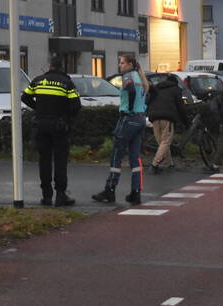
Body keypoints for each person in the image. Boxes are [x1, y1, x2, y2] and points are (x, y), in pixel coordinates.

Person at [21, 56, 81, 206]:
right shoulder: (66, 83)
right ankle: (61, 195)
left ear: (49, 66)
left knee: (44, 161)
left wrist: (38, 109)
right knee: (60, 161)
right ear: (61, 68)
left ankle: (46, 196)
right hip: (59, 126)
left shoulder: (38, 80)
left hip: (41, 125)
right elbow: (76, 106)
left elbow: (25, 97)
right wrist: (65, 116)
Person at [92, 54, 149, 205]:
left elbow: (130, 90)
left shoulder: (128, 76)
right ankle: (136, 192)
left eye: (122, 63)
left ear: (130, 64)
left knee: (116, 154)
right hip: (140, 119)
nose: (120, 66)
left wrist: (129, 109)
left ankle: (109, 190)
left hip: (128, 119)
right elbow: (147, 94)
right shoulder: (141, 78)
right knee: (135, 158)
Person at [145, 73, 188, 174]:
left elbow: (148, 101)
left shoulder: (157, 88)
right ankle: (154, 165)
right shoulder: (175, 89)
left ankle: (169, 164)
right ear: (175, 82)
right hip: (167, 118)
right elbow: (181, 107)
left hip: (154, 117)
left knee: (162, 142)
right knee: (166, 142)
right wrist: (186, 122)